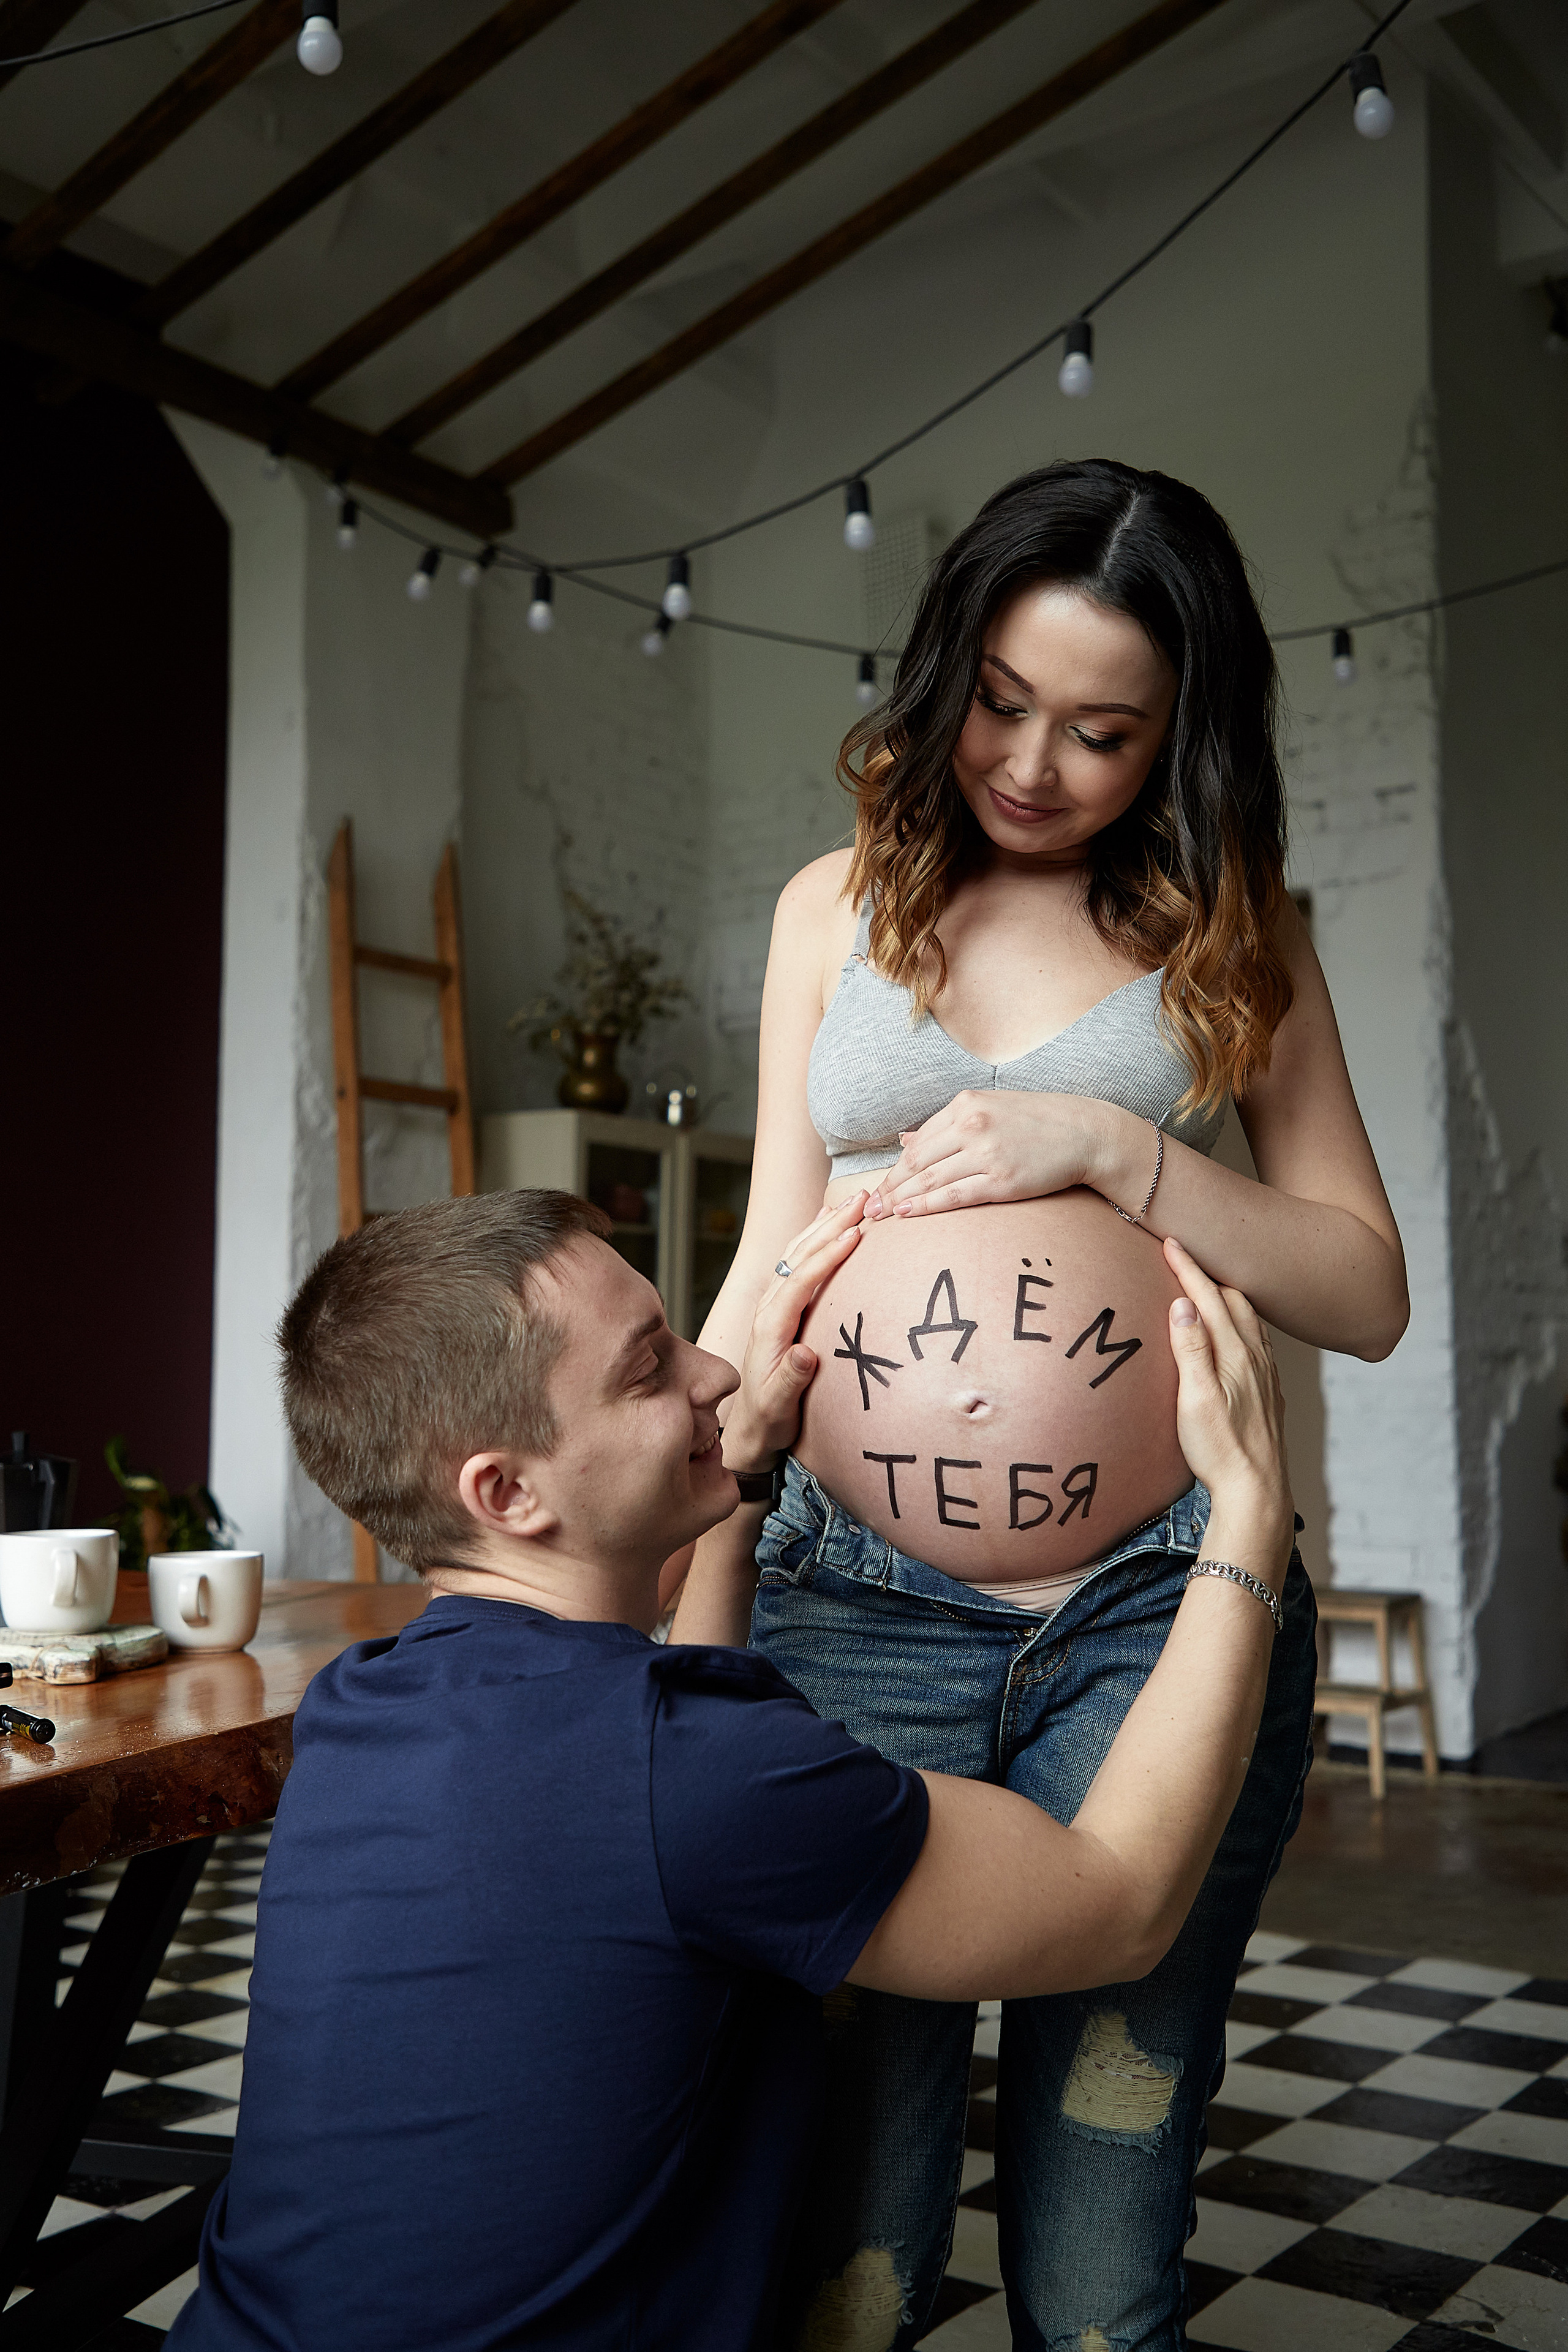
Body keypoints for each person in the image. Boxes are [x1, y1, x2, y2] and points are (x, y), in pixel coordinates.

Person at [677, 459, 1409, 2347]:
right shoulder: (833, 910)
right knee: (848, 2226)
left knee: (1098, 2257)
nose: (1029, 763)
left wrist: (1120, 1147)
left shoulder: (1236, 931)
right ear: (947, 668)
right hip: (845, 1604)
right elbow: (772, 1240)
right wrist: (670, 1507)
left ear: (1184, 737)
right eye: (1001, 700)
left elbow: (1367, 1287)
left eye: (1100, 731)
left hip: (1157, 1617)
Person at [169, 1185, 1293, 2352]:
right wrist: (1251, 1515)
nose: (717, 1373)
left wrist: (736, 1482)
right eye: (649, 1370)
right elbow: (1114, 1903)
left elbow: (656, 1766)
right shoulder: (698, 1777)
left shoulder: (360, 1705)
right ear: (506, 1491)